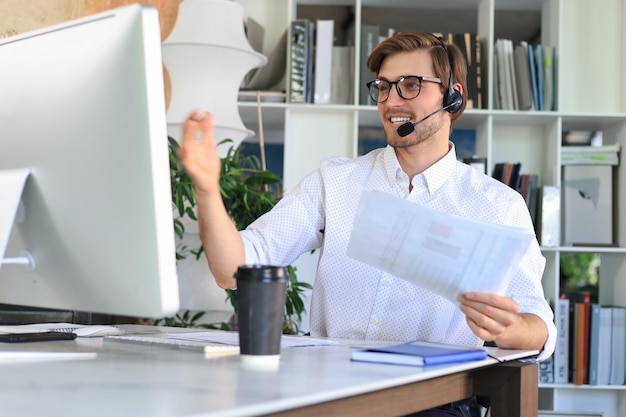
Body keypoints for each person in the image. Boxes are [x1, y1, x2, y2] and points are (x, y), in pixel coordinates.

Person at [178, 32, 556, 416]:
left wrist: (508, 329)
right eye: (383, 87)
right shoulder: (335, 182)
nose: (391, 102)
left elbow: (539, 324)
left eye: (410, 86)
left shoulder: (498, 205)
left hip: (435, 404)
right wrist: (207, 188)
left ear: (452, 96)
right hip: (328, 396)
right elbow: (234, 269)